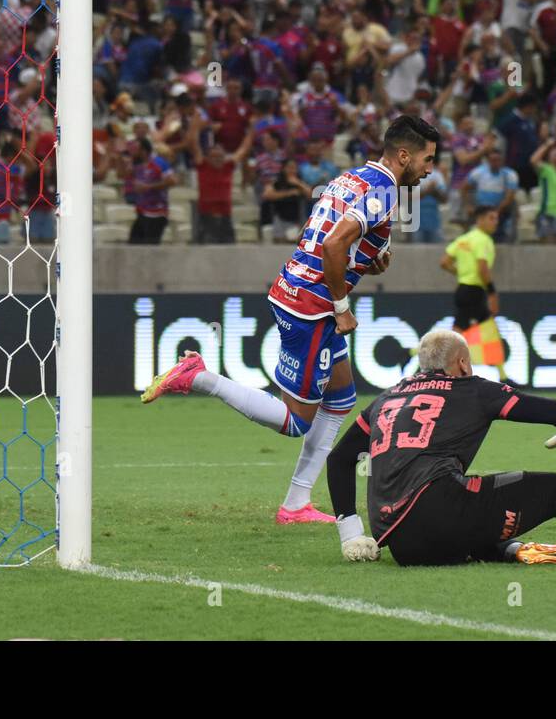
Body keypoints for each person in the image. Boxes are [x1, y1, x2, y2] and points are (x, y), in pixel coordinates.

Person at [141, 115, 440, 525]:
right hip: (311, 306)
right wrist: (341, 307)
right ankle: (199, 376)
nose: (430, 169)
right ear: (403, 155)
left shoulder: (352, 178)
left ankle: (296, 504)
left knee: (340, 400)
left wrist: (368, 262)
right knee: (298, 421)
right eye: (427, 159)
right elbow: (333, 246)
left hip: (295, 289)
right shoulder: (384, 190)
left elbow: (323, 235)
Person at [322, 329, 556, 567]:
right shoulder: (473, 389)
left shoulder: (385, 398)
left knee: (470, 501)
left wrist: (352, 535)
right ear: (461, 362)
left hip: (403, 545)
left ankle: (515, 551)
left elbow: (339, 459)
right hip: (443, 510)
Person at [440, 205, 506, 381]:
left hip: (463, 289)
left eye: (496, 219)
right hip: (474, 291)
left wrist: (461, 274)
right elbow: (482, 267)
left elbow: (444, 262)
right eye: (492, 218)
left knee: (485, 329)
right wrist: (492, 292)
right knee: (457, 336)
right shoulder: (483, 240)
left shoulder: (463, 239)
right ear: (480, 220)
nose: (495, 222)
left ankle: (503, 376)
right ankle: (415, 357)